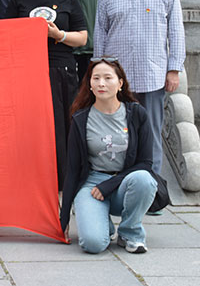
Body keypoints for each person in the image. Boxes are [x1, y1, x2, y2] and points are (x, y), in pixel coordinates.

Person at [94, 0, 184, 175]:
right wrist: (99, 73)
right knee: (117, 133)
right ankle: (121, 182)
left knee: (152, 132)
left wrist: (174, 69)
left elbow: (176, 31)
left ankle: (152, 186)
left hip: (152, 75)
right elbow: (100, 33)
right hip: (118, 78)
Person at [5, 0, 87, 190]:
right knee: (30, 125)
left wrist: (60, 35)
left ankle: (64, 178)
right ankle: (30, 177)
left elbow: (82, 38)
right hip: (28, 70)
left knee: (62, 123)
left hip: (61, 70)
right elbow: (7, 36)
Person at [60, 58, 158, 254]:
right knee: (93, 244)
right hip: (92, 186)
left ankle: (130, 233)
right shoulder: (81, 118)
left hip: (125, 183)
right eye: (96, 78)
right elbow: (72, 170)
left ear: (120, 83)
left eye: (107, 78)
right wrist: (63, 219)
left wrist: (109, 185)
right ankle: (102, 223)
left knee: (144, 179)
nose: (101, 84)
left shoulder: (136, 113)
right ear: (90, 84)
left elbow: (145, 163)